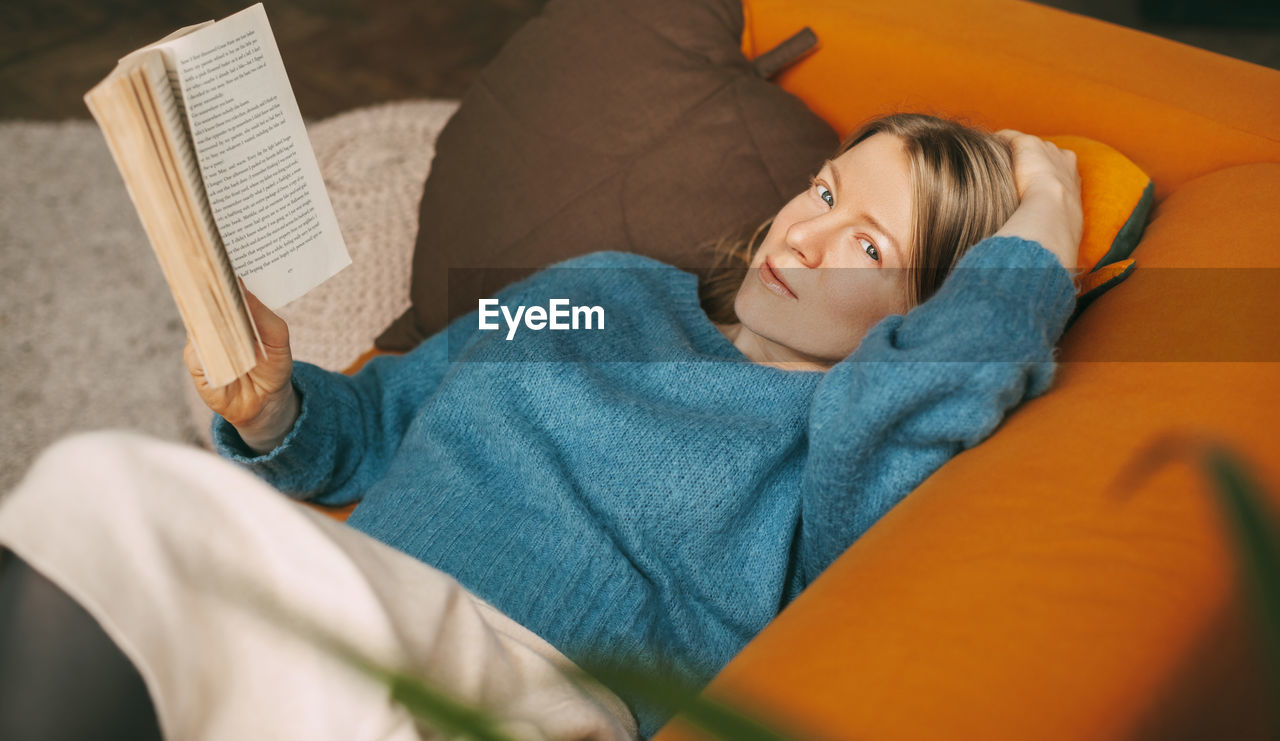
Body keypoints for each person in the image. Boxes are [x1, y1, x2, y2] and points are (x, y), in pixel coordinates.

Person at [0, 114, 1082, 741]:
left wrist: (1046, 205)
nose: (803, 236)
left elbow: (959, 368)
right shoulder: (604, 292)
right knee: (96, 497)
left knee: (107, 487)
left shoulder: (839, 435)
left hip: (518, 693)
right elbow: (380, 418)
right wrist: (275, 402)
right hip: (352, 592)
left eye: (868, 247)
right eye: (820, 189)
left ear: (929, 306)